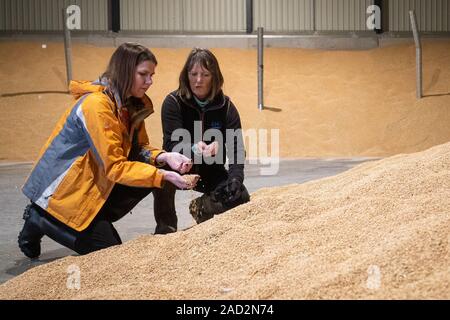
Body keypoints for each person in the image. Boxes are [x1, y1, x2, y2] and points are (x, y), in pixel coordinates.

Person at [18, 43, 198, 259]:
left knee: (159, 166)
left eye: (151, 75)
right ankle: (40, 217)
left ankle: (163, 231)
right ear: (124, 70)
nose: (149, 81)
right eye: (143, 74)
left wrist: (164, 156)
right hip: (64, 195)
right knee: (110, 255)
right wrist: (163, 175)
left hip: (92, 186)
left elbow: (138, 149)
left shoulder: (129, 105)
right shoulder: (96, 106)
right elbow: (115, 166)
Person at [153, 48, 250, 234]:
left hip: (210, 170)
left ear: (214, 77)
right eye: (194, 74)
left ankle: (202, 207)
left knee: (241, 196)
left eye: (205, 74)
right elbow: (171, 145)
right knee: (159, 173)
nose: (198, 80)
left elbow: (236, 148)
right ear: (186, 75)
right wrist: (193, 149)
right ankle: (166, 226)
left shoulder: (226, 106)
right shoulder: (172, 102)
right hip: (179, 168)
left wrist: (236, 178)